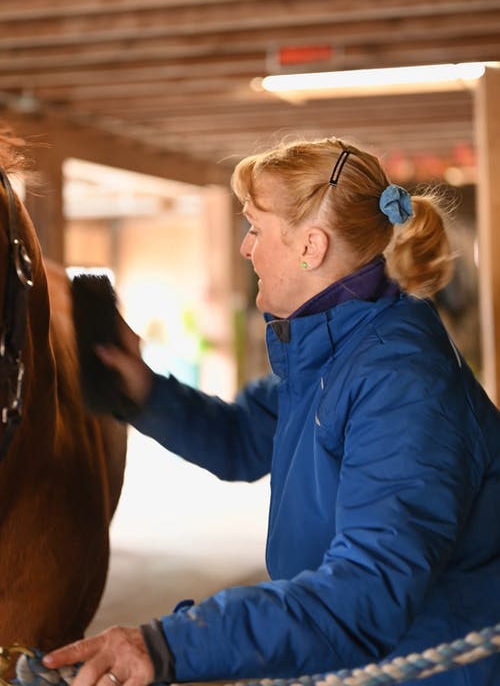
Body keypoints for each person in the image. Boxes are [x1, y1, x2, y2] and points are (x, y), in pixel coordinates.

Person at [44, 137, 500, 686]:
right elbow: (239, 438)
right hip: (355, 661)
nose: (245, 248)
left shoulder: (402, 382)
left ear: (311, 246)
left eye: (255, 228)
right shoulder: (335, 348)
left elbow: (368, 592)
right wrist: (143, 389)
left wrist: (169, 645)